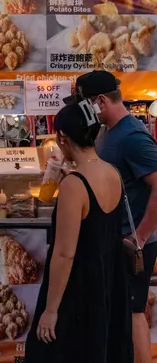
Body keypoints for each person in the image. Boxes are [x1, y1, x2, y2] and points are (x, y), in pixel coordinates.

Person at [25, 102, 133, 363]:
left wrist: (51, 310)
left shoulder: (75, 184)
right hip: (109, 281)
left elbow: (65, 253)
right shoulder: (112, 172)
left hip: (79, 290)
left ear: (62, 138)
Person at [77, 70, 157, 363]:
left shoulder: (132, 136)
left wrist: (141, 236)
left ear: (100, 101)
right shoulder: (106, 132)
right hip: (114, 239)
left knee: (134, 311)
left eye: (85, 103)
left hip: (131, 245)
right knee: (119, 311)